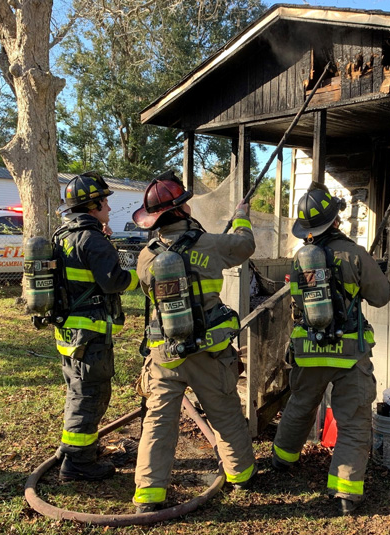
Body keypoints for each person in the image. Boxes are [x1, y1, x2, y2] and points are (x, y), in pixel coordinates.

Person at [131, 171, 257, 513]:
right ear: (181, 209)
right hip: (208, 351)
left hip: (165, 352)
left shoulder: (147, 257)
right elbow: (245, 246)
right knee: (224, 412)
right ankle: (242, 474)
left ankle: (149, 494)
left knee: (158, 421)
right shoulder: (212, 244)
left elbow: (148, 290)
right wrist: (241, 217)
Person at [271, 182, 390, 515]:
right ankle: (345, 492)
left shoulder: (300, 259)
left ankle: (282, 459)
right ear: (336, 220)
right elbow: (381, 297)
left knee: (301, 404)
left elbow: (298, 303)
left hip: (309, 348)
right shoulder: (354, 253)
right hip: (349, 352)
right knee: (353, 418)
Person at [54, 171, 139, 481]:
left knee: (76, 390)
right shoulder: (91, 239)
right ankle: (78, 463)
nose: (109, 206)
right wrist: (141, 276)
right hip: (90, 333)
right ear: (93, 205)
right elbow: (113, 282)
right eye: (105, 201)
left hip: (68, 332)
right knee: (91, 395)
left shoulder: (63, 235)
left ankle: (70, 449)